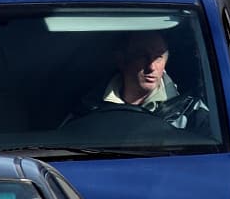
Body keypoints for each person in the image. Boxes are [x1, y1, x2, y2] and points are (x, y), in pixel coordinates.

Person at [63, 30, 209, 131]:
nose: (151, 66)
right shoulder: (87, 109)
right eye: (142, 55)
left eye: (158, 56)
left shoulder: (192, 112)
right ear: (121, 60)